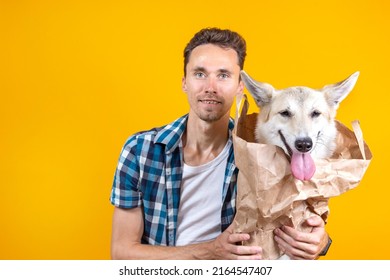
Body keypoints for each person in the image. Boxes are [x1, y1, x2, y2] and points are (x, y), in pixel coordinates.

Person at [110, 27, 330, 260]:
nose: (210, 87)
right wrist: (210, 252)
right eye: (200, 74)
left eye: (223, 75)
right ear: (185, 82)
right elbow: (121, 253)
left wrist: (321, 242)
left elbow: (300, 223)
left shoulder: (264, 152)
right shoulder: (140, 150)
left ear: (239, 86)